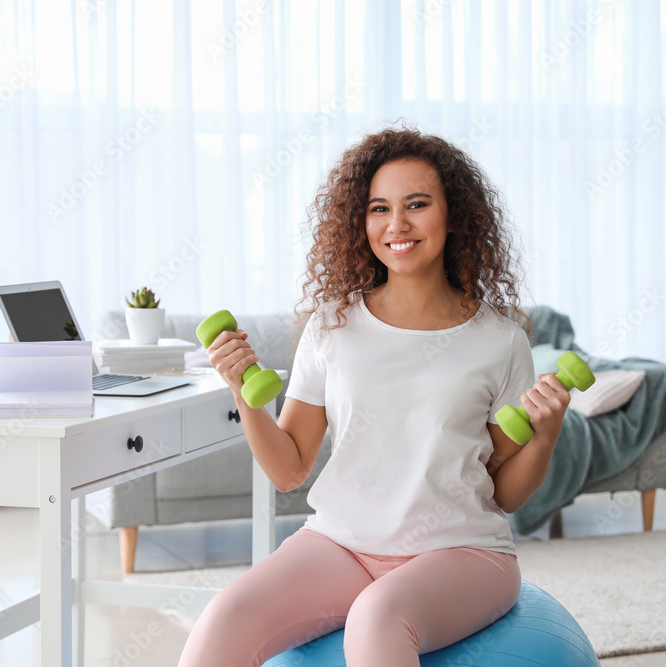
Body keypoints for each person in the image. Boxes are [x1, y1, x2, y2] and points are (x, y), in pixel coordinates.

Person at [178, 126, 571, 667]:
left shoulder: (500, 339)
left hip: (461, 550)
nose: (397, 225)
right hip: (341, 544)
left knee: (377, 617)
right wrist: (245, 397)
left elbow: (503, 493)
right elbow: (290, 469)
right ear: (360, 222)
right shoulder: (332, 325)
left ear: (452, 215)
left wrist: (545, 436)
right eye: (379, 208)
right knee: (226, 615)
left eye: (417, 204)